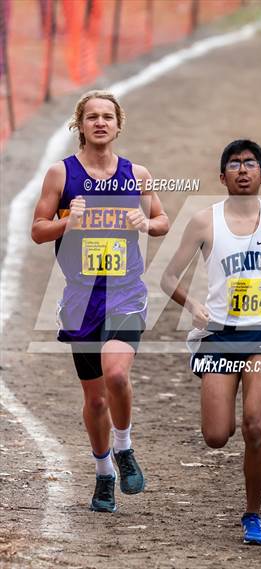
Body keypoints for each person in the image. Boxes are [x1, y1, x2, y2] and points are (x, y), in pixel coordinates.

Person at [31, 90, 169, 513]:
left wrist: (145, 221)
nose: (100, 123)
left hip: (126, 292)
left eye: (107, 116)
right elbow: (38, 230)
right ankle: (104, 472)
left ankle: (124, 447)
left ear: (118, 124)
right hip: (81, 299)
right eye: (92, 117)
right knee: (94, 400)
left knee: (117, 375)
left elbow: (163, 221)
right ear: (81, 125)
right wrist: (70, 220)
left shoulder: (137, 174)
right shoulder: (61, 175)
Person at [161, 140, 261, 545]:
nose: (243, 170)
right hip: (220, 337)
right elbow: (168, 277)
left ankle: (253, 514)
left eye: (251, 164)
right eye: (235, 165)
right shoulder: (205, 222)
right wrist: (192, 306)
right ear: (221, 176)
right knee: (217, 436)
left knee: (255, 425)